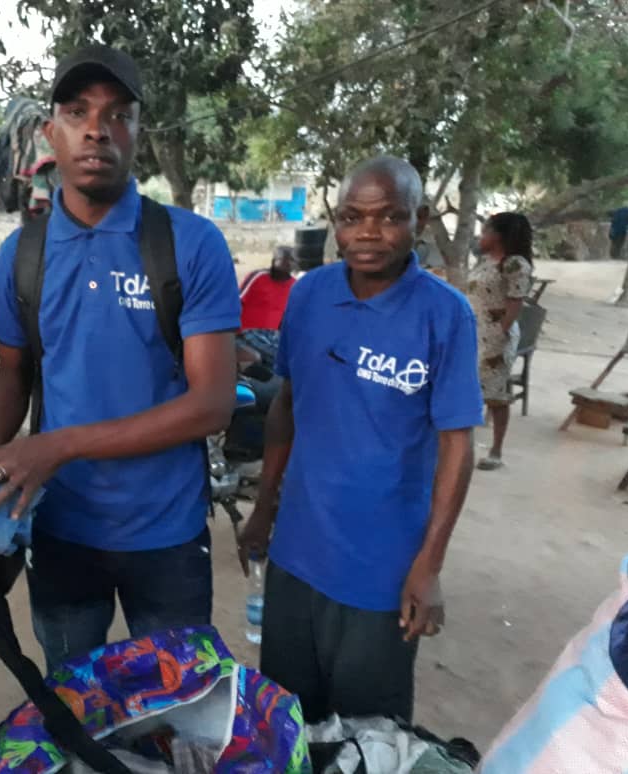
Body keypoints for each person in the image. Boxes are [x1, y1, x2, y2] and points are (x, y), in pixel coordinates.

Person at [0, 44, 240, 669]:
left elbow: (212, 404)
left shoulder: (189, 245)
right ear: (49, 132)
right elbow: (13, 373)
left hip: (167, 533)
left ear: (137, 132)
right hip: (59, 530)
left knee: (175, 716)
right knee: (75, 707)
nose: (96, 129)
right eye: (78, 111)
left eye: (117, 114)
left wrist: (57, 446)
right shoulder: (20, 257)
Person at [239, 156, 483, 724]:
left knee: (365, 734)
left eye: (389, 217)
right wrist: (263, 509)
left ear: (418, 220)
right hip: (297, 555)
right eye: (352, 217)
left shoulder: (444, 315)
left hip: (382, 571)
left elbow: (456, 446)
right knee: (288, 720)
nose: (368, 233)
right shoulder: (310, 295)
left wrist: (429, 564)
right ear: (335, 220)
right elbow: (288, 407)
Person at [468, 213, 534, 471]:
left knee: (495, 394)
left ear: (499, 236)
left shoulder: (514, 265)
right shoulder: (485, 261)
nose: (480, 237)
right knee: (469, 388)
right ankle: (461, 444)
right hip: (473, 332)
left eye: (485, 232)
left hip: (496, 336)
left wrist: (500, 333)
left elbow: (515, 303)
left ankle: (496, 451)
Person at [239, 245, 297, 331]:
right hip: (245, 334)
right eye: (284, 259)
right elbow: (237, 301)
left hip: (271, 338)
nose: (289, 263)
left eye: (292, 260)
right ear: (274, 261)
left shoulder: (295, 285)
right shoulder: (258, 277)